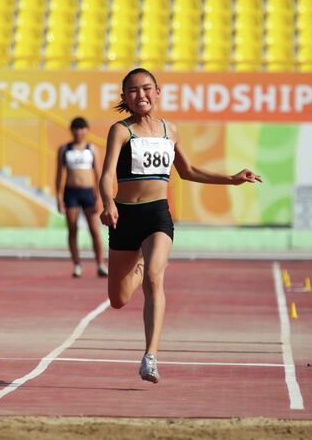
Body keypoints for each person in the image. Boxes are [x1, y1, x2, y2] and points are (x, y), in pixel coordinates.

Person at [99, 68, 261, 383]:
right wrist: (107, 203)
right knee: (118, 300)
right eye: (132, 90)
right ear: (124, 98)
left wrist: (231, 178)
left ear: (158, 92)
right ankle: (140, 265)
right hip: (124, 216)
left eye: (146, 88)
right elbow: (106, 174)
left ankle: (150, 357)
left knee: (155, 280)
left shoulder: (169, 130)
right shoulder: (120, 130)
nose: (140, 95)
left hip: (158, 215)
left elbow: (187, 171)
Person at [56, 117, 108, 278]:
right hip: (71, 193)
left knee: (94, 230)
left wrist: (100, 198)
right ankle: (77, 264)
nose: (79, 132)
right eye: (76, 129)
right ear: (71, 130)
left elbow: (99, 174)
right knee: (72, 229)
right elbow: (59, 174)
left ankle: (100, 264)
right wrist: (58, 196)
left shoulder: (91, 149)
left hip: (88, 193)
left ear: (86, 130)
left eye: (82, 128)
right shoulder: (65, 149)